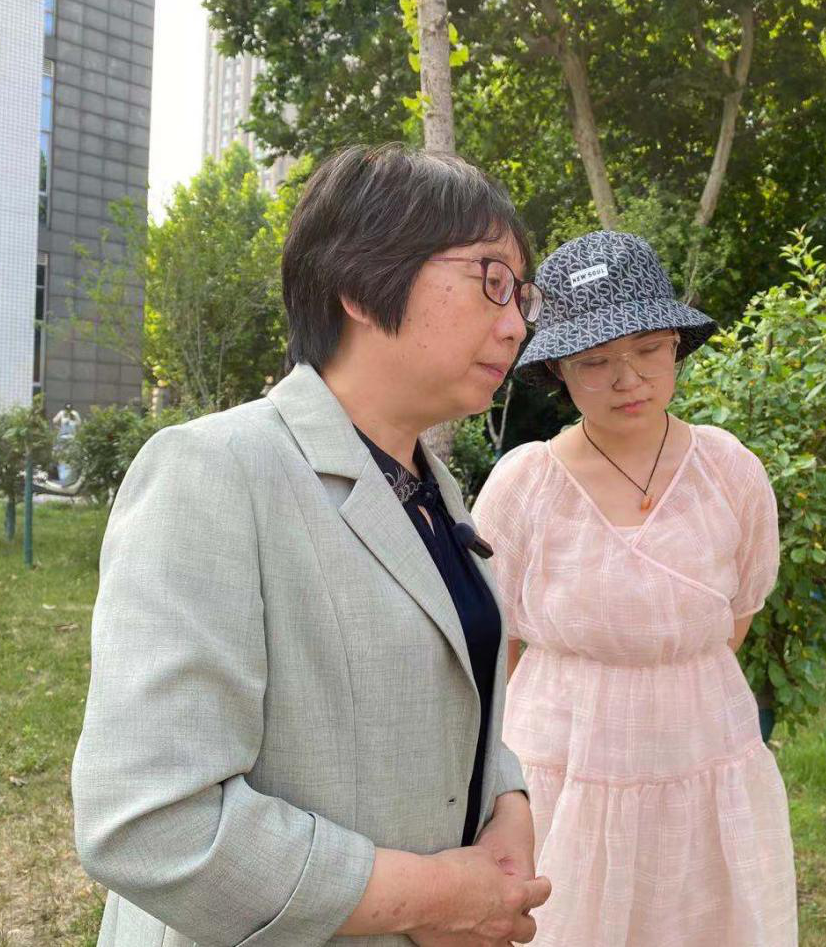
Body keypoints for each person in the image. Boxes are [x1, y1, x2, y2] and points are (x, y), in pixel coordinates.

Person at [71, 143, 552, 946]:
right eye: (490, 281)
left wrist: (508, 803)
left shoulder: (431, 485)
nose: (515, 324)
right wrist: (434, 896)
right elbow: (151, 823)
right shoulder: (218, 470)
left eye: (521, 296)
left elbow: (446, 695)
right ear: (360, 283)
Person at [472, 230, 798, 946]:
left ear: (675, 346)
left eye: (649, 350)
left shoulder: (729, 471)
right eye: (595, 361)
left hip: (705, 748)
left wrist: (659, 684)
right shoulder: (524, 485)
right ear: (558, 369)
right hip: (563, 760)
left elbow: (738, 614)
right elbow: (498, 644)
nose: (628, 379)